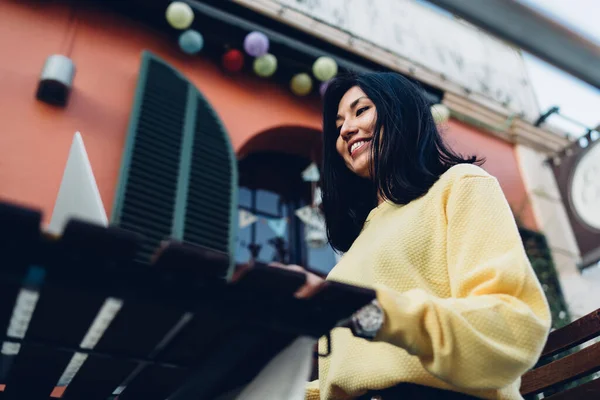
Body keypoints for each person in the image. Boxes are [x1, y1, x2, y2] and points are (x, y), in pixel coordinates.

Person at [277, 72, 551, 400]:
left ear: (400, 112)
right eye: (338, 126)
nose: (346, 130)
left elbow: (514, 325)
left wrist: (374, 312)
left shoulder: (460, 185)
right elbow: (344, 380)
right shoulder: (360, 242)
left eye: (360, 110)